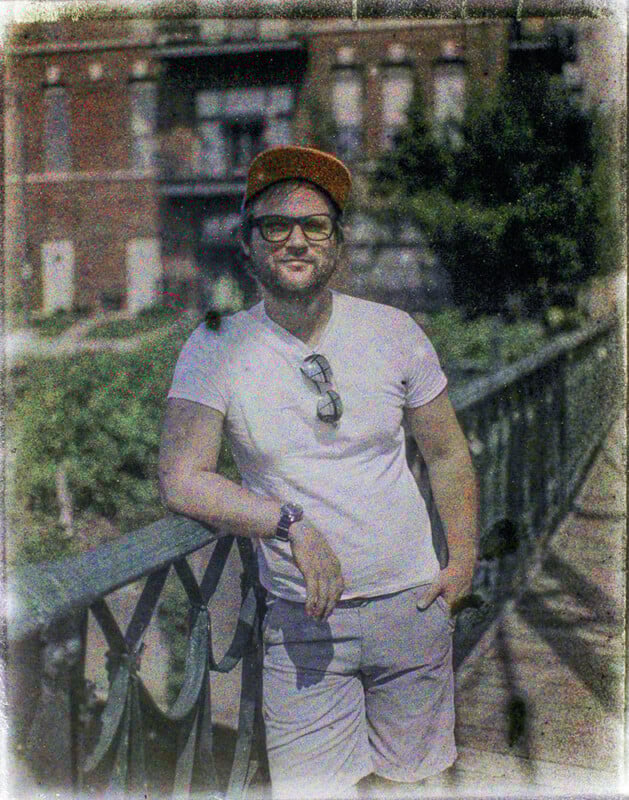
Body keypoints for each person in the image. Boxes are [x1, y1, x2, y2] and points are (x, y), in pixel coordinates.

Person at [158, 145, 479, 799]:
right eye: (276, 224)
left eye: (315, 225)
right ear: (249, 244)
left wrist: (462, 565)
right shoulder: (214, 346)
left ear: (338, 244)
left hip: (410, 609)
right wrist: (286, 522)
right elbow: (183, 476)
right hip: (303, 627)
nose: (296, 240)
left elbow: (446, 453)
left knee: (415, 788)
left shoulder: (393, 331)